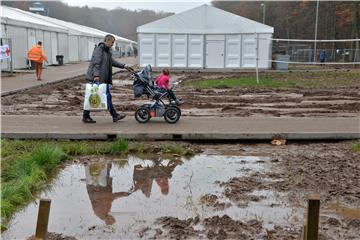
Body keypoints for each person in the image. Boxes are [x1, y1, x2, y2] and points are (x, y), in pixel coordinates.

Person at [83, 34, 132, 123]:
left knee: (96, 95)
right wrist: (96, 76)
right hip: (98, 77)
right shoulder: (99, 49)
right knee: (104, 96)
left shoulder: (107, 51)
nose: (113, 44)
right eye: (112, 42)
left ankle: (86, 116)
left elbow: (112, 62)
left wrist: (124, 66)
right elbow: (96, 63)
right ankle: (114, 115)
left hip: (103, 77)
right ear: (107, 40)